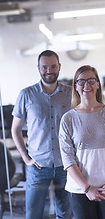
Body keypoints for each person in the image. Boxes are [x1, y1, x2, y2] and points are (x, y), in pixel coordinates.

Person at [59, 65, 105, 219]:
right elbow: (68, 159)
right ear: (75, 86)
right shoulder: (68, 119)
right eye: (81, 81)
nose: (86, 85)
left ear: (98, 84)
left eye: (91, 80)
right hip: (80, 189)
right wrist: (87, 188)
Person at [11, 50, 73, 219]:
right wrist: (26, 158)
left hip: (66, 165)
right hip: (38, 167)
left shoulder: (71, 94)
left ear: (59, 67)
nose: (49, 70)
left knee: (66, 214)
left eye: (53, 66)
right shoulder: (26, 95)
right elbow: (15, 129)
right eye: (44, 67)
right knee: (34, 215)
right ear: (38, 68)